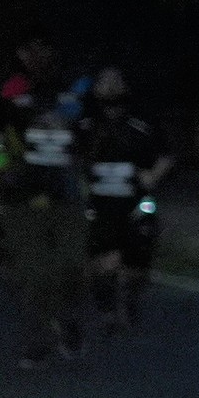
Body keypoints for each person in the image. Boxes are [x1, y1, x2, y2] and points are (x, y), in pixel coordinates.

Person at [0, 39, 88, 368]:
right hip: (24, 199)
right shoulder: (10, 94)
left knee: (71, 265)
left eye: (43, 50)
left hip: (67, 196)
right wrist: (4, 168)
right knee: (35, 273)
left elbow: (90, 143)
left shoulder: (73, 96)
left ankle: (66, 318)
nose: (35, 57)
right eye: (28, 50)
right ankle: (38, 341)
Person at [82, 66, 171, 332]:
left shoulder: (141, 124)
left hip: (137, 204)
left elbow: (167, 154)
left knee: (137, 265)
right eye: (104, 82)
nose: (110, 87)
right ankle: (107, 310)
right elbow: (73, 157)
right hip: (100, 205)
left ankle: (129, 302)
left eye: (115, 81)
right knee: (102, 262)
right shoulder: (87, 125)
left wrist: (153, 175)